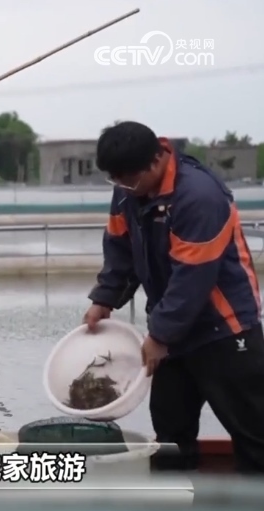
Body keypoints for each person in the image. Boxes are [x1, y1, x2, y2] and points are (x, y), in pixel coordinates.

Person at [82, 121, 264, 474]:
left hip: (225, 330)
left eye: (128, 180)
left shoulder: (200, 197)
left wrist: (160, 335)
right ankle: (177, 495)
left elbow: (192, 279)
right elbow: (120, 247)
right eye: (115, 180)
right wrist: (104, 298)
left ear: (155, 161)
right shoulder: (127, 189)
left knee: (253, 433)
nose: (122, 187)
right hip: (173, 333)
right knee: (170, 435)